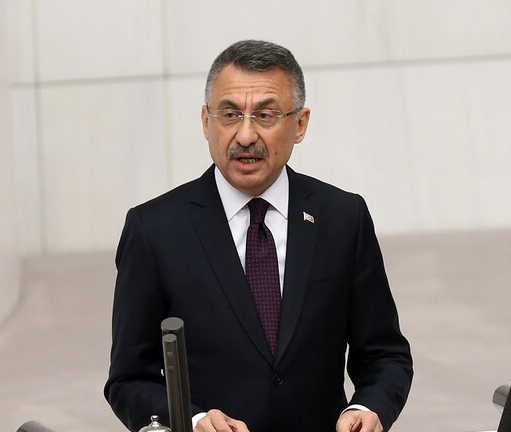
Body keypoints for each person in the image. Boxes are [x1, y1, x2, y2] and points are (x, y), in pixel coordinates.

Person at [105, 40, 413, 432]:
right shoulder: (154, 230)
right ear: (206, 122)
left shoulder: (342, 217)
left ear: (299, 124)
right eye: (230, 115)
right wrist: (193, 421)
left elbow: (385, 354)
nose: (246, 135)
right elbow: (129, 379)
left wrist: (368, 408)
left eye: (265, 115)